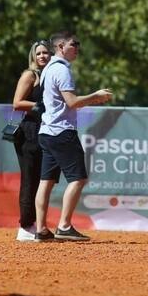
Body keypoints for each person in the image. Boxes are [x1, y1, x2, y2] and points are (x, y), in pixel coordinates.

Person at [34, 31, 112, 242]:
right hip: (62, 131)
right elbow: (72, 102)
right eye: (73, 44)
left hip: (47, 131)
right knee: (78, 179)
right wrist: (96, 96)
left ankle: (41, 229)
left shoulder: (48, 69)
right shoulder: (61, 70)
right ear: (60, 47)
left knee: (46, 181)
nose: (77, 48)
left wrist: (88, 100)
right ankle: (64, 226)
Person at [12, 39, 51, 242]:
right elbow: (17, 103)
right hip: (29, 131)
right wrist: (41, 106)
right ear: (33, 56)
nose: (42, 56)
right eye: (39, 53)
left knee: (39, 179)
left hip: (43, 130)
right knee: (29, 180)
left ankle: (35, 223)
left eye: (46, 53)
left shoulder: (50, 75)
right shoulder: (30, 75)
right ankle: (25, 226)